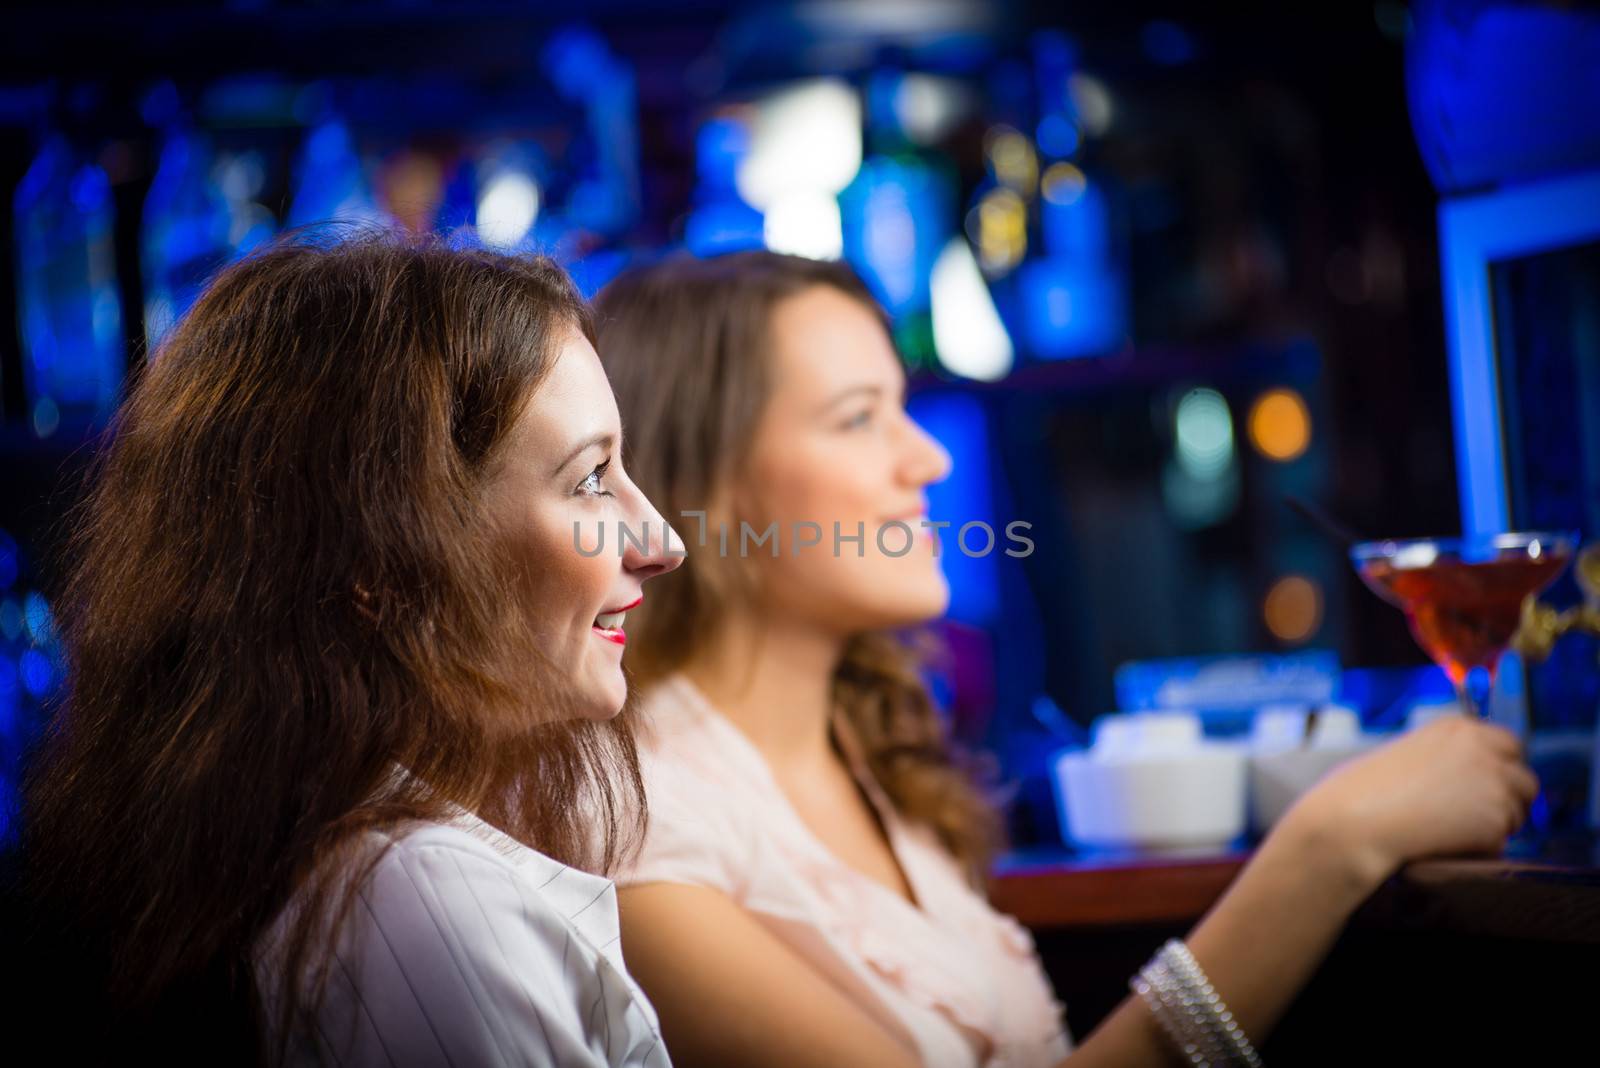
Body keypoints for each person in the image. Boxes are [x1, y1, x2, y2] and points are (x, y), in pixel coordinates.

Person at [592, 249, 1540, 1068]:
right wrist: (1333, 846)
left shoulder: (866, 756)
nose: (927, 459)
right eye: (856, 418)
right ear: (697, 485)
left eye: (904, 407)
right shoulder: (636, 826)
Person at [13, 233, 680, 1066]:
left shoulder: (352, 863)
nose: (659, 538)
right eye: (589, 479)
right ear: (383, 553)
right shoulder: (422, 902)